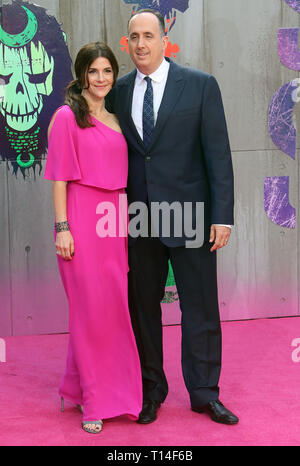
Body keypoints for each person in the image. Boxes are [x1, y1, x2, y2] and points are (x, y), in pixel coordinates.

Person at [105, 9, 239, 425]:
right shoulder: (118, 91)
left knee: (200, 309)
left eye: (148, 35)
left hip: (192, 217)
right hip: (139, 220)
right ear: (126, 43)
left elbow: (218, 155)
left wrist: (223, 217)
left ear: (165, 40)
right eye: (133, 37)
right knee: (143, 311)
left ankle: (204, 393)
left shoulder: (200, 86)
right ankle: (151, 392)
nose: (141, 44)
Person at [44, 42, 142, 434]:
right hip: (81, 219)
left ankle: (78, 384)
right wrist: (62, 227)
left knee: (112, 311)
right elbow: (59, 178)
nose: (101, 79)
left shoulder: (118, 120)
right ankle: (95, 399)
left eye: (107, 72)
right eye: (94, 71)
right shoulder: (68, 117)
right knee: (88, 314)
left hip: (114, 219)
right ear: (82, 74)